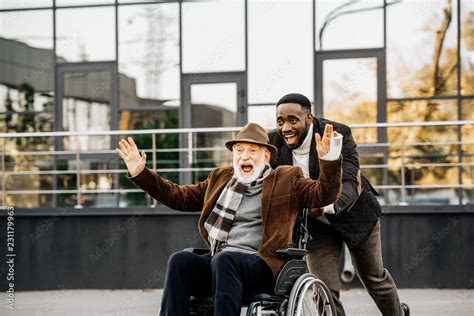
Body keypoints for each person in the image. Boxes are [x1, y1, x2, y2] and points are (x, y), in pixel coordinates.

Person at [117, 122, 342, 316]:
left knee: (225, 259)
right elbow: (179, 197)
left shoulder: (286, 178)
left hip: (263, 266)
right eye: (239, 150)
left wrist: (329, 160)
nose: (244, 156)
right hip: (222, 264)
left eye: (252, 150)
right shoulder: (220, 178)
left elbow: (323, 194)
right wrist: (141, 172)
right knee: (181, 261)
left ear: (266, 156)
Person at [268, 93, 409, 316]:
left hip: (354, 215)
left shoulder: (336, 133)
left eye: (292, 120)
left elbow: (350, 181)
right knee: (324, 289)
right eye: (280, 121)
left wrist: (323, 205)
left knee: (374, 278)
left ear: (309, 118)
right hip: (317, 227)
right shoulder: (273, 144)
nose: (285, 127)